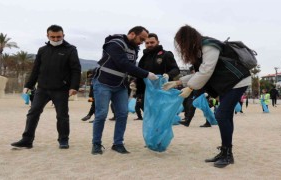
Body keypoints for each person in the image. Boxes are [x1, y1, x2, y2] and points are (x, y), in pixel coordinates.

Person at [162, 25, 251, 168]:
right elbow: (200, 72)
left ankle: (227, 154)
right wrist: (177, 82)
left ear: (188, 39)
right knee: (226, 116)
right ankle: (225, 151)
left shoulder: (208, 45)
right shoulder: (199, 50)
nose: (181, 46)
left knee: (221, 115)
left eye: (181, 42)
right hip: (227, 84)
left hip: (237, 81)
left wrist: (190, 87)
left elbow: (206, 71)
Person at [11, 25, 81, 149]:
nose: (55, 39)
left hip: (61, 89)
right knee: (33, 113)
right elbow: (36, 69)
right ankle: (27, 140)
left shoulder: (71, 50)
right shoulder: (42, 50)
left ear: (63, 35)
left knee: (62, 116)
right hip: (42, 89)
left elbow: (76, 69)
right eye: (52, 37)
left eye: (58, 36)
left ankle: (63, 140)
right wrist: (28, 85)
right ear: (47, 36)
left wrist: (74, 86)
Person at [91, 26, 158, 155]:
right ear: (132, 34)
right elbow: (123, 64)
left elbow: (132, 67)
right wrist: (146, 74)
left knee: (122, 114)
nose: (142, 42)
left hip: (120, 85)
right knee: (101, 114)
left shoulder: (134, 49)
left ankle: (118, 143)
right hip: (103, 83)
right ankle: (96, 143)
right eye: (141, 39)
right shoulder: (114, 44)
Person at [135, 33, 180, 120]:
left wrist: (168, 75)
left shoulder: (166, 54)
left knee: (162, 116)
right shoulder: (143, 58)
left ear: (157, 42)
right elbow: (139, 76)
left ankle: (161, 133)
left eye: (152, 42)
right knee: (150, 117)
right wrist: (139, 94)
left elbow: (176, 69)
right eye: (147, 43)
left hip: (163, 91)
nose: (149, 45)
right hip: (147, 94)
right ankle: (152, 133)